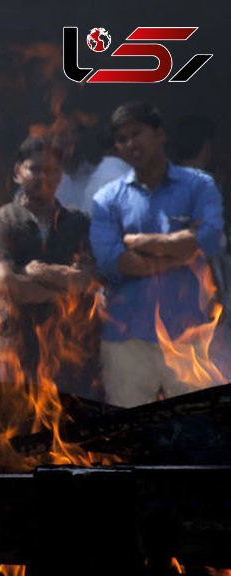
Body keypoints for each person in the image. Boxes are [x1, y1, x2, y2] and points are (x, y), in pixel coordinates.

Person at [90, 101, 225, 407]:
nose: (129, 144)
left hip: (189, 336)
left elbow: (210, 239)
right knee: (128, 444)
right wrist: (180, 251)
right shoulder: (107, 199)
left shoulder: (198, 186)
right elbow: (112, 260)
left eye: (136, 133)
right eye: (121, 139)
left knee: (193, 436)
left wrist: (143, 241)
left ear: (159, 133)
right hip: (127, 343)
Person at [0, 136, 101, 399]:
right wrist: (66, 288)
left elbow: (89, 281)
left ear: (60, 175)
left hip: (71, 353)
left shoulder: (79, 222)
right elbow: (9, 286)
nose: (43, 177)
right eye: (34, 169)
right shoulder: (3, 222)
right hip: (16, 351)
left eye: (50, 170)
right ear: (18, 172)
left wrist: (37, 271)